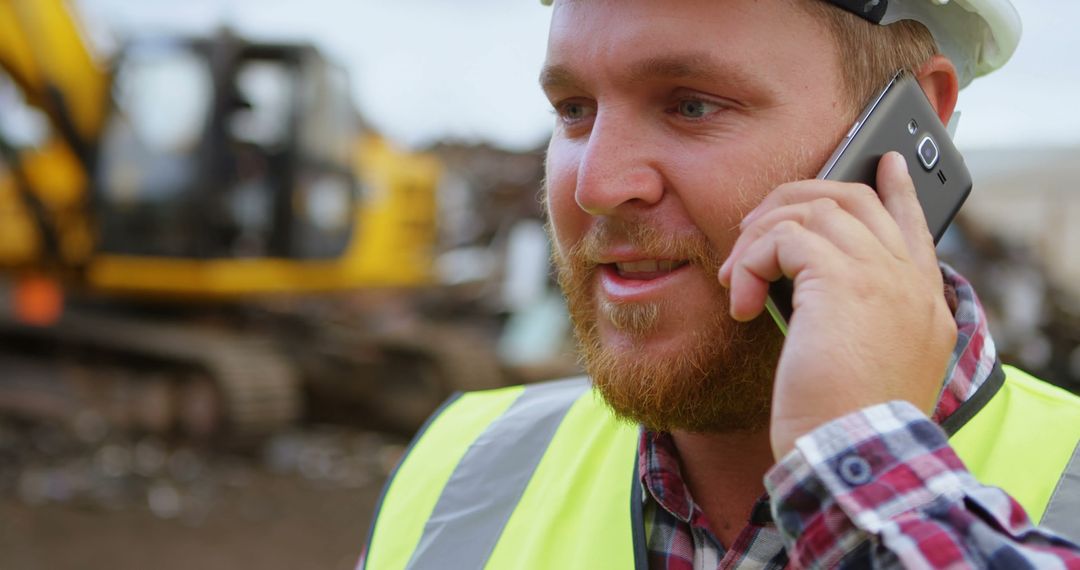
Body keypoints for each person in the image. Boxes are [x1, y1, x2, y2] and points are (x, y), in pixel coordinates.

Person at [362, 0, 1080, 568]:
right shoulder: (462, 465)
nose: (598, 186)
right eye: (574, 109)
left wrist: (866, 474)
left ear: (913, 125)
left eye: (692, 104)